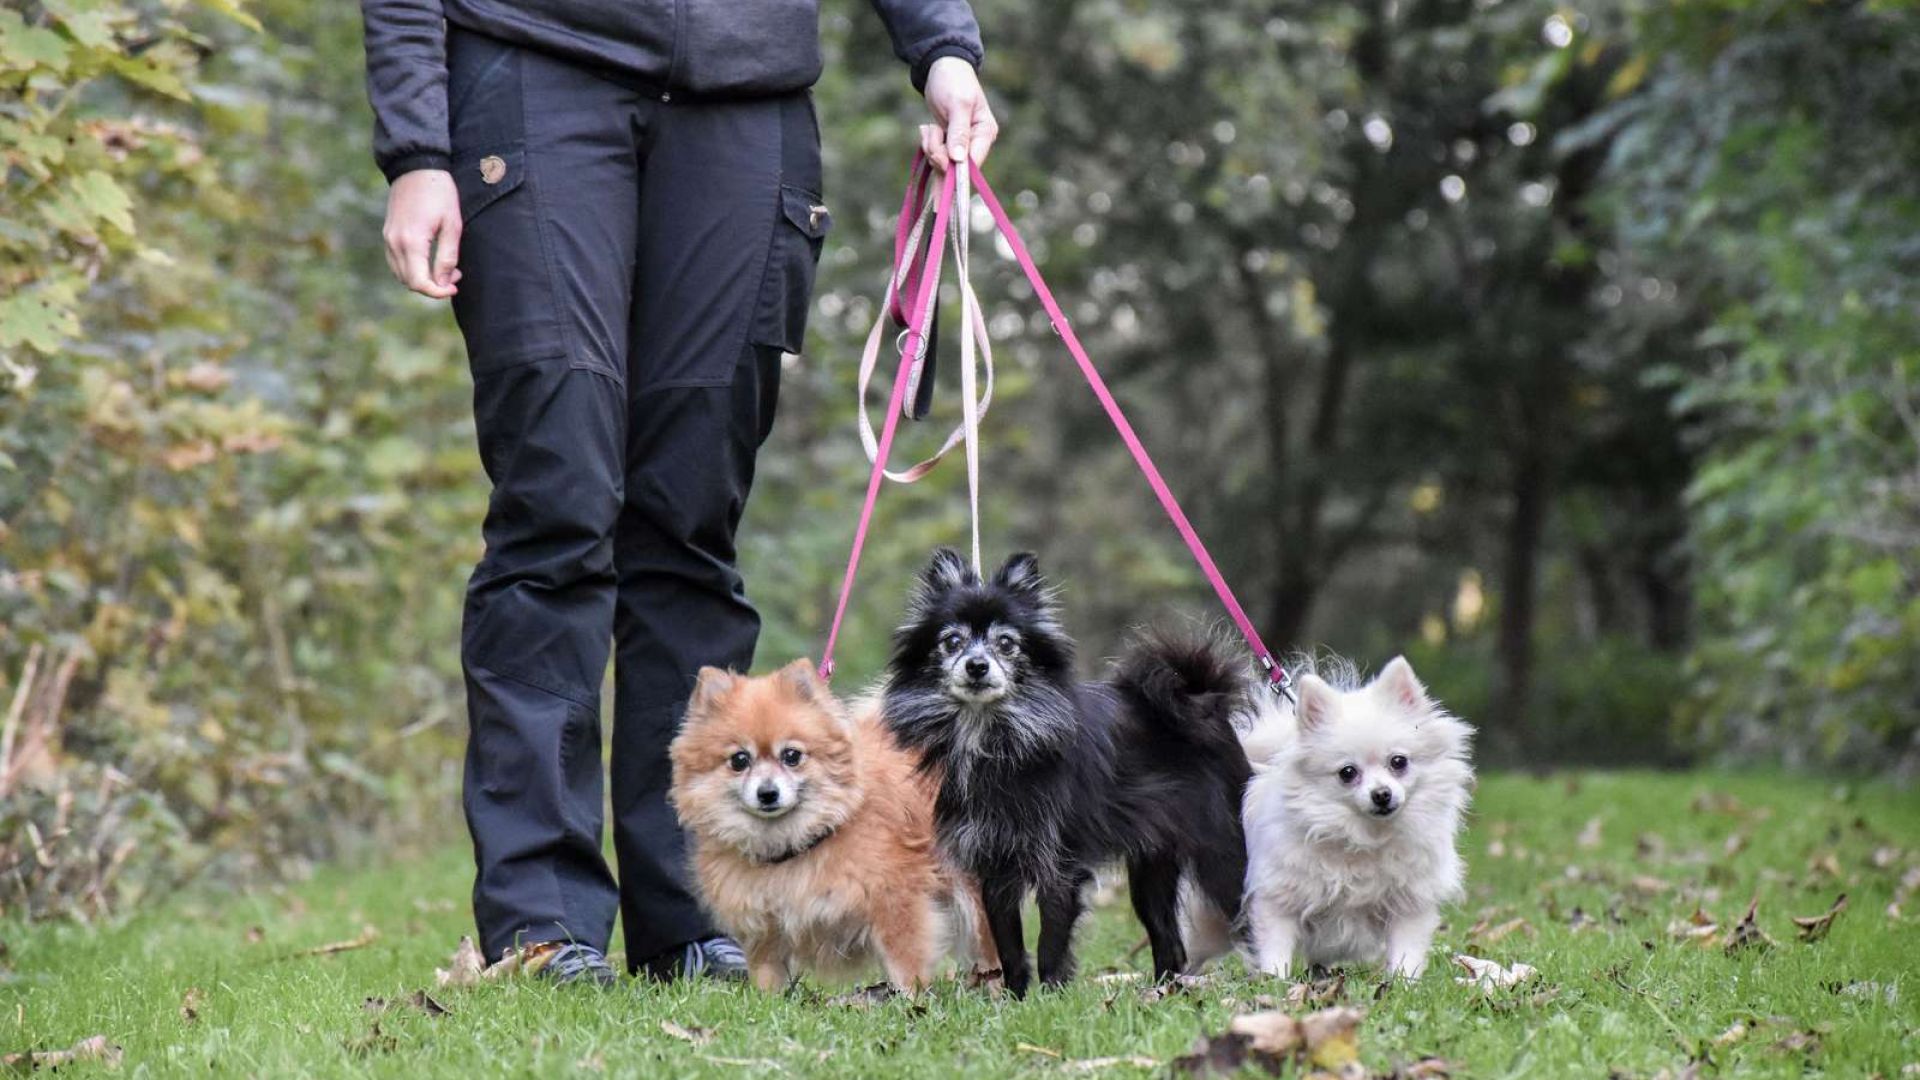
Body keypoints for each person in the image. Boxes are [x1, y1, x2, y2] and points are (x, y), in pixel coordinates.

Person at [359, 0, 997, 986]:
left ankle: (695, 920)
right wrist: (415, 149)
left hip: (747, 102)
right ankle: (542, 923)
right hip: (536, 71)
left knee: (689, 525)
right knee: (555, 509)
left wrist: (943, 51)